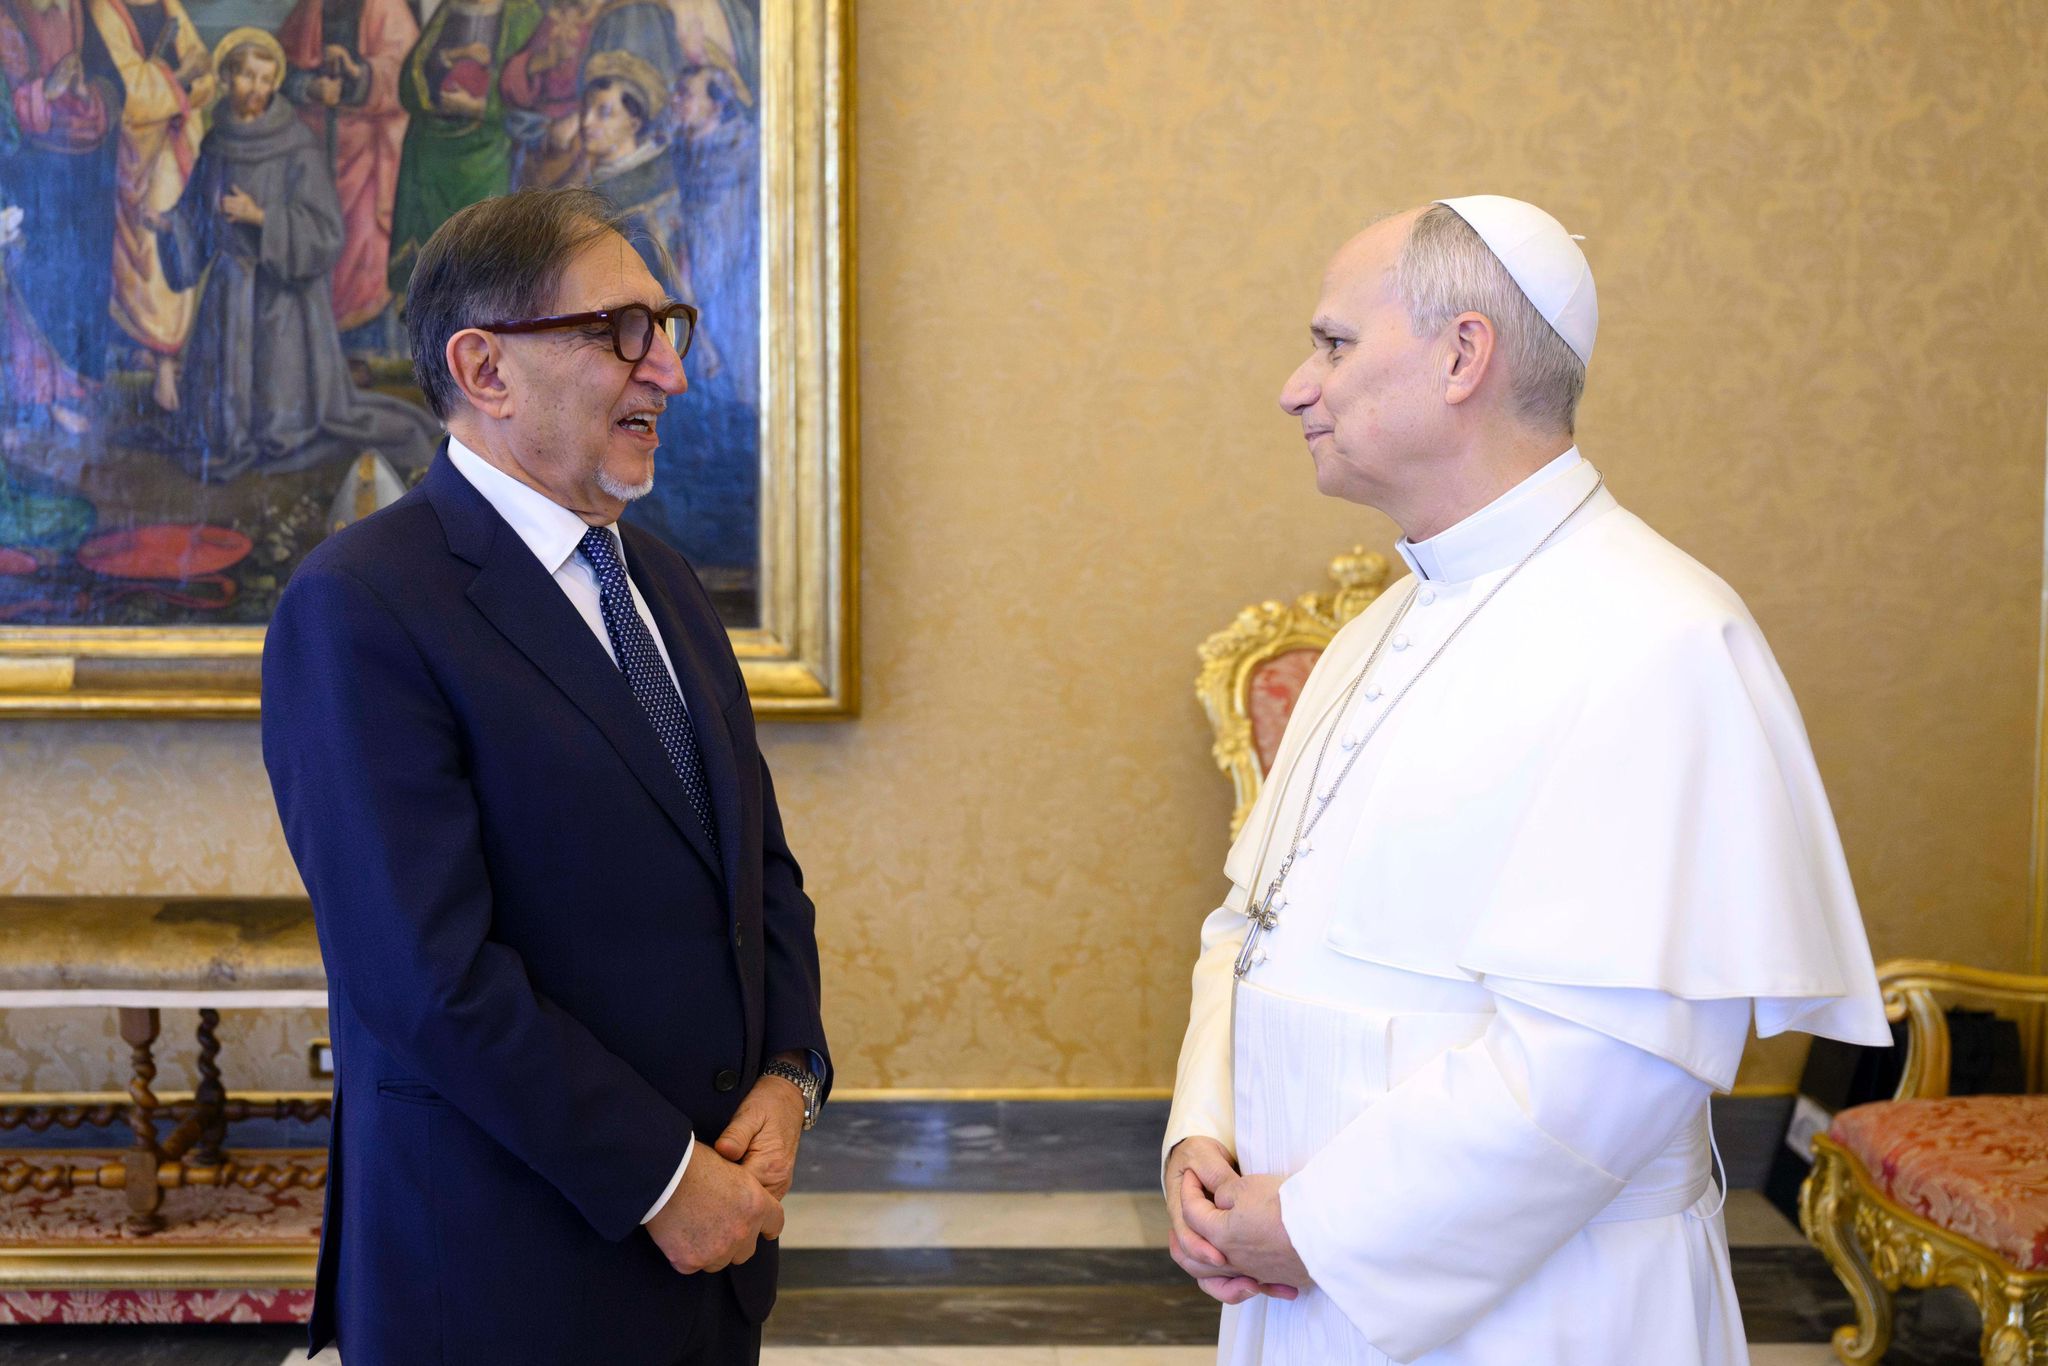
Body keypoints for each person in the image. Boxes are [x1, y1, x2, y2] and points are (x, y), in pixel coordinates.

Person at [1161, 196, 1890, 1366]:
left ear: (1462, 355)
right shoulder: (1374, 628)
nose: (1295, 387)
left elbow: (1605, 1061)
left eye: (1334, 344)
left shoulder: (1659, 637)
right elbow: (1245, 924)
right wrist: (1202, 1138)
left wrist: (1313, 1222)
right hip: (1292, 1278)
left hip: (1544, 1314)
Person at [261, 186, 829, 1365]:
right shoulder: (360, 603)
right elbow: (425, 978)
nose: (665, 370)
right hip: (497, 1272)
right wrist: (666, 1180)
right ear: (485, 367)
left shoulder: (663, 580)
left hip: (710, 1263)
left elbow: (756, 872)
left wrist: (788, 1076)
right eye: (617, 331)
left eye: (664, 325)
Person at [150, 27, 440, 478]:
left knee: (278, 418)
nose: (257, 88)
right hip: (228, 288)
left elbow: (324, 230)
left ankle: (276, 432)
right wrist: (170, 224)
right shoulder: (216, 142)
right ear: (228, 77)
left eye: (267, 79)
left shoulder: (296, 144)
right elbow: (195, 213)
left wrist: (262, 217)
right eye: (248, 76)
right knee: (220, 410)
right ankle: (230, 435)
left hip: (280, 300)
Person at [89, 0, 214, 412]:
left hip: (173, 149)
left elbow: (205, 71)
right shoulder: (104, 10)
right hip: (132, 155)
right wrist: (180, 80)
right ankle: (155, 356)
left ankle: (164, 358)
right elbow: (133, 93)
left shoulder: (166, 3)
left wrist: (188, 82)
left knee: (168, 251)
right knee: (138, 261)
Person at [0, 0, 117, 433]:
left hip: (84, 166)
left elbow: (112, 82)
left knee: (79, 281)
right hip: (28, 170)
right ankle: (42, 398)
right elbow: (5, 112)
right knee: (36, 287)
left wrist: (90, 96)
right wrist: (45, 93)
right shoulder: (8, 15)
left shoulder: (80, 8)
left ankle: (71, 390)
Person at [277, 0, 419, 340]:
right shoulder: (310, 9)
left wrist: (358, 76)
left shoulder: (388, 10)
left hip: (369, 159)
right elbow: (280, 71)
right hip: (312, 154)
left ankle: (364, 351)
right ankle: (312, 349)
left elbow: (405, 77)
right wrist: (309, 87)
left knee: (366, 251)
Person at [382, 0, 538, 299]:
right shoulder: (451, 9)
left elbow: (532, 91)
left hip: (486, 158)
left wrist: (480, 107)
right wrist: (451, 60)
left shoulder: (523, 15)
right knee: (424, 278)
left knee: (478, 262)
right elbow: (410, 82)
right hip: (428, 156)